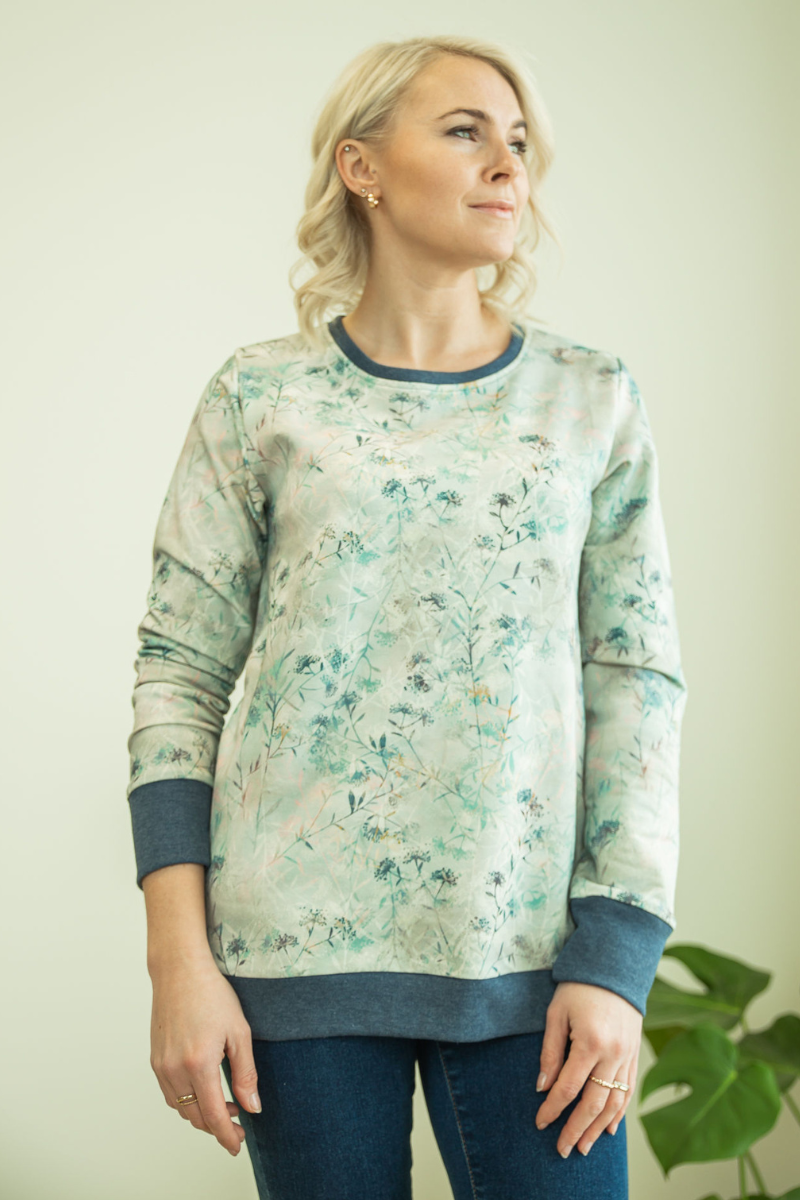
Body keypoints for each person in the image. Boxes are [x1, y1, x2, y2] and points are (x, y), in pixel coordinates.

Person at [126, 34, 688, 1200]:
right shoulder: (259, 397)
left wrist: (616, 956)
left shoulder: (589, 399)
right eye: (464, 131)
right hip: (291, 963)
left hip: (537, 966)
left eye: (517, 140)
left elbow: (635, 675)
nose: (508, 164)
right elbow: (178, 674)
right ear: (361, 167)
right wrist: (177, 962)